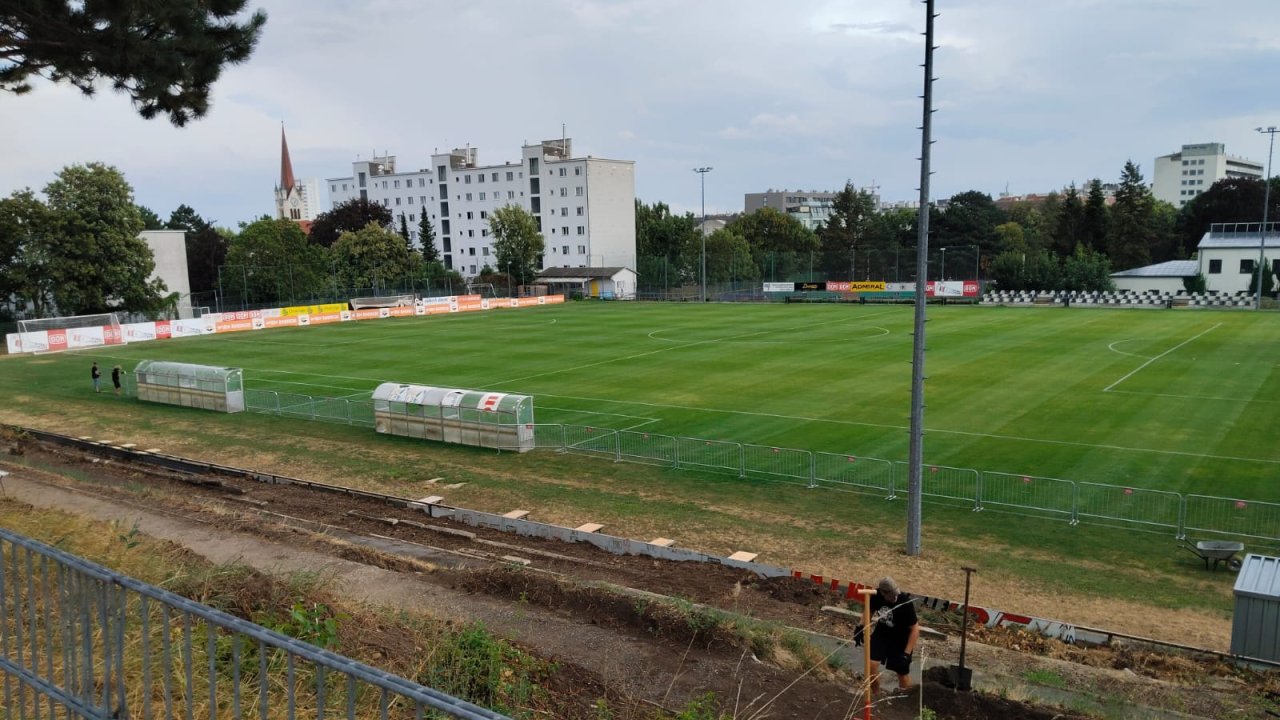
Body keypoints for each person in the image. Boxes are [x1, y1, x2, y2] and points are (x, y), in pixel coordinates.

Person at [859, 576, 919, 693]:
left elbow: (915, 629)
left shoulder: (905, 602)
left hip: (900, 640)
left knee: (902, 672)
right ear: (883, 592)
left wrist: (906, 653)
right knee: (871, 665)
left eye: (895, 594)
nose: (894, 597)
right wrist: (860, 628)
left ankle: (904, 697)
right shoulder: (876, 596)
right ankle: (876, 694)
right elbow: (868, 612)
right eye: (891, 595)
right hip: (881, 635)